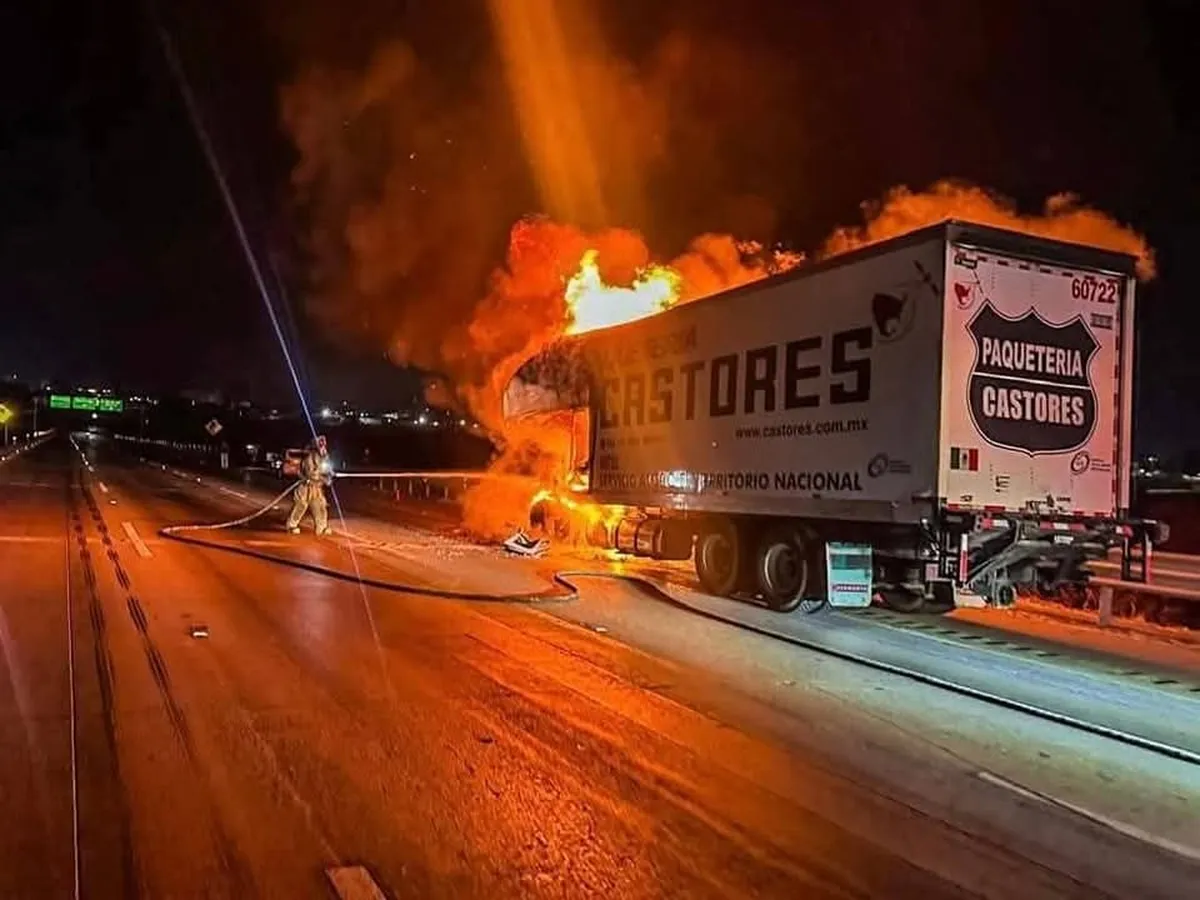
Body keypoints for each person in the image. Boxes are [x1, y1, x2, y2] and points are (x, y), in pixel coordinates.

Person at [286, 436, 332, 535]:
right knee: (301, 505)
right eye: (321, 445)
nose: (323, 447)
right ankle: (292, 525)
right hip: (305, 486)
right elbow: (311, 473)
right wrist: (323, 479)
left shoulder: (324, 457)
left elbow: (327, 470)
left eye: (324, 445)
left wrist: (328, 476)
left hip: (317, 487)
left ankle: (322, 527)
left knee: (320, 506)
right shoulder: (310, 457)